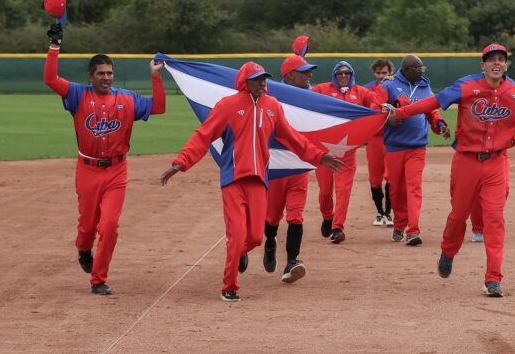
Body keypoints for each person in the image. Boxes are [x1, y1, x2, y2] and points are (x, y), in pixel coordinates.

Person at [160, 62, 342, 302]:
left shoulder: (272, 106)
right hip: (233, 180)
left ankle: (238, 254)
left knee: (255, 237)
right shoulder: (227, 106)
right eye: (257, 79)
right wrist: (181, 162)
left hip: (258, 181)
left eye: (264, 78)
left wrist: (319, 156)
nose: (262, 83)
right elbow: (203, 135)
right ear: (244, 82)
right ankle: (230, 287)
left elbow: (293, 138)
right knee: (236, 234)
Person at [384, 44, 515, 297]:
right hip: (466, 162)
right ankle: (448, 250)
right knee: (458, 216)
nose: (496, 63)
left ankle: (493, 278)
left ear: (506, 65)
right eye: (491, 59)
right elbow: (433, 101)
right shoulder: (465, 86)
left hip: (497, 162)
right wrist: (400, 112)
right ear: (482, 65)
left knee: (494, 219)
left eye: (501, 59)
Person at [42, 0, 166, 295]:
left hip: (116, 172)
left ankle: (98, 279)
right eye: (101, 73)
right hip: (87, 169)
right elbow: (50, 79)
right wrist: (54, 46)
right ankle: (84, 249)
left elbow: (159, 107)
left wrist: (155, 78)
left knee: (109, 226)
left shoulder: (127, 99)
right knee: (87, 227)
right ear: (91, 76)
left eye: (110, 72)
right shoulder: (77, 95)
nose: (107, 77)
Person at [380, 55, 450, 246]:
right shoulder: (389, 86)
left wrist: (440, 124)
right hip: (394, 146)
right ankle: (399, 224)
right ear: (407, 70)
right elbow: (376, 109)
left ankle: (413, 230)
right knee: (397, 190)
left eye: (422, 69)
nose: (421, 72)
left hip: (417, 146)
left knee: (414, 188)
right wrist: (388, 118)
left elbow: (431, 110)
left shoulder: (425, 87)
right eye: (418, 69)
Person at [262, 54, 318, 284]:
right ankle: (270, 241)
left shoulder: (311, 96)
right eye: (304, 72)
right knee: (272, 218)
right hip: (276, 165)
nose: (309, 75)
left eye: (309, 72)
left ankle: (292, 261)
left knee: (295, 215)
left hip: (299, 165)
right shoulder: (270, 96)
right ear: (290, 76)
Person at [312, 61, 380, 244]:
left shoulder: (360, 92)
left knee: (343, 191)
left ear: (352, 75)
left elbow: (375, 102)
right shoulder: (322, 89)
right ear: (334, 75)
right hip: (324, 152)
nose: (343, 76)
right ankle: (328, 216)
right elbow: (304, 95)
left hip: (347, 152)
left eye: (347, 73)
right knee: (325, 191)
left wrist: (370, 117)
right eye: (340, 73)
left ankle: (337, 227)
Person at [363, 59, 395, 227]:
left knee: (390, 177)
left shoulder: (396, 86)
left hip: (391, 138)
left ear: (390, 72)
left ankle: (389, 213)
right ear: (374, 73)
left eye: (385, 72)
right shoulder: (368, 89)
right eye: (379, 73)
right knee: (375, 179)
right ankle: (379, 212)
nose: (382, 76)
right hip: (374, 138)